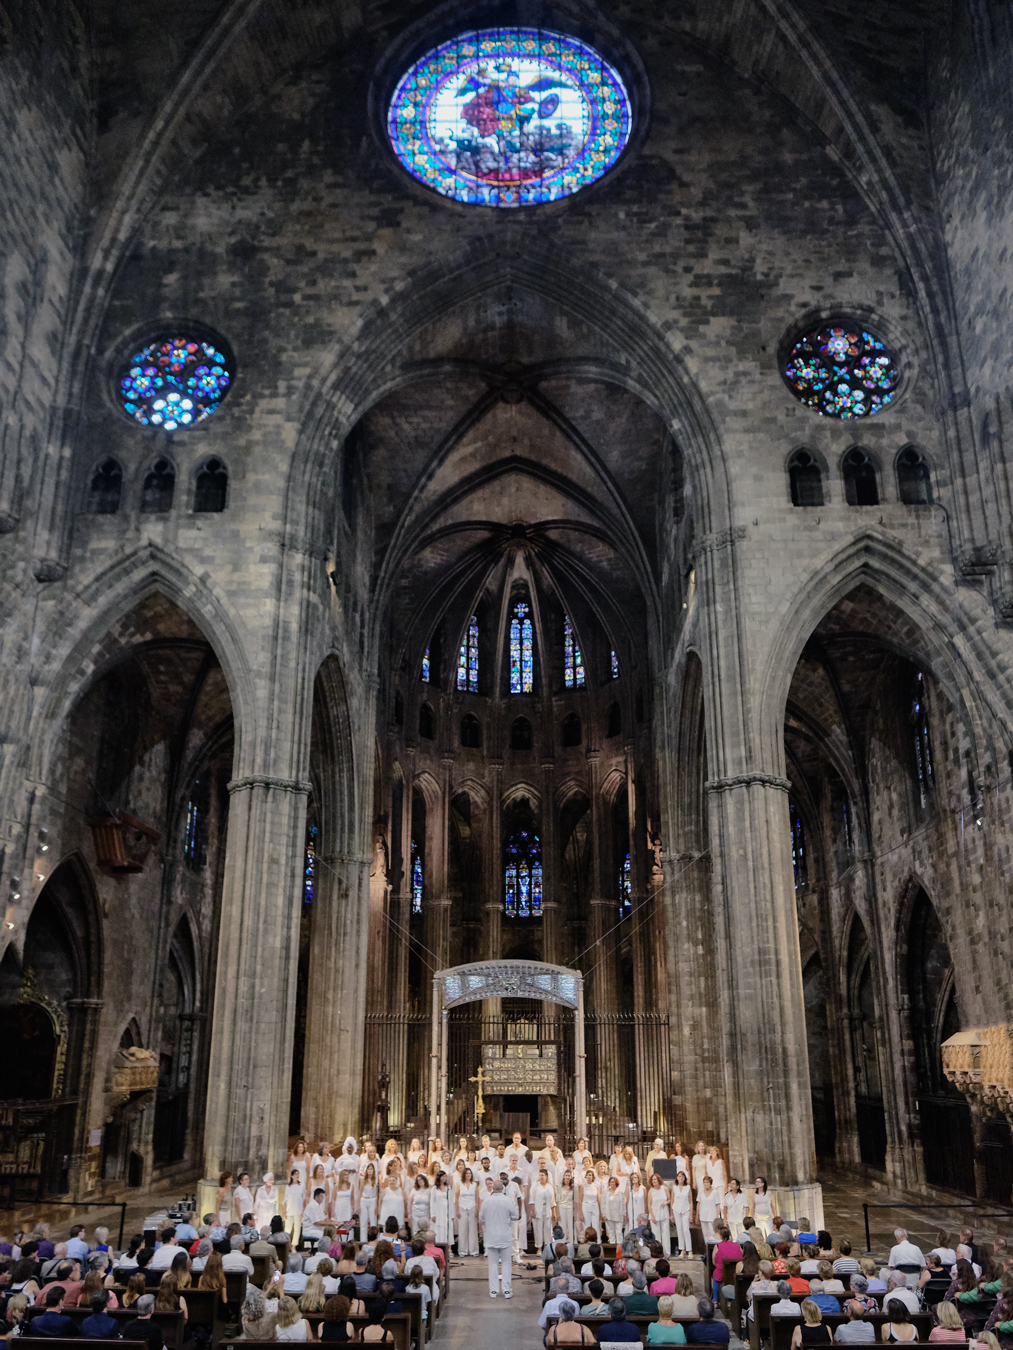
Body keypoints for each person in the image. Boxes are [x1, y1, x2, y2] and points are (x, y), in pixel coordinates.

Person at [483, 1181, 516, 1299]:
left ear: (493, 1188)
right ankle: (507, 1291)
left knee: (493, 1264)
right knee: (506, 1264)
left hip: (491, 1236)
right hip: (504, 1237)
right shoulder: (508, 1201)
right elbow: (516, 1216)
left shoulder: (486, 1201)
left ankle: (493, 1291)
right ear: (502, 1188)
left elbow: (481, 1217)